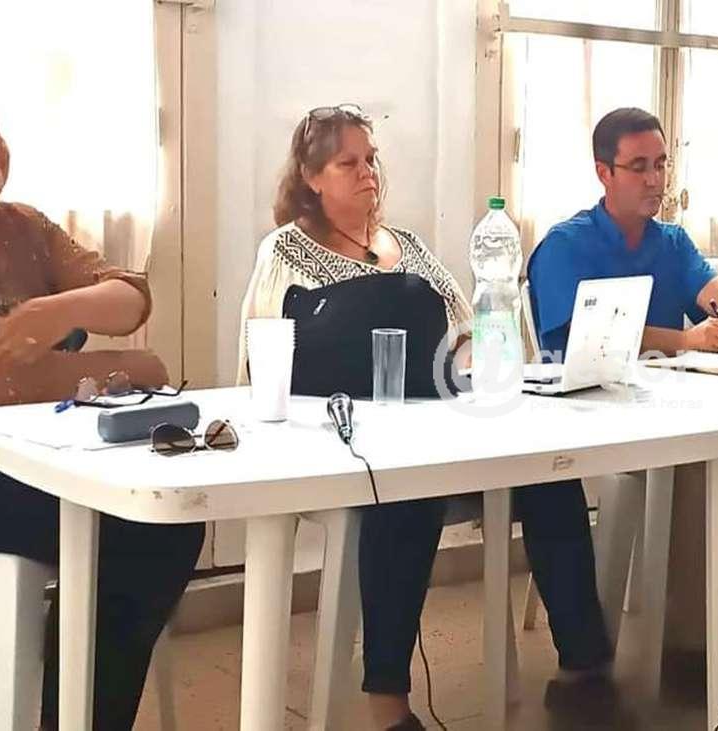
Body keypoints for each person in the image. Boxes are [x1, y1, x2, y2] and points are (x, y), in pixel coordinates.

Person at [238, 104, 628, 731]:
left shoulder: (410, 247)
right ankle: (388, 705)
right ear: (310, 176)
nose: (367, 173)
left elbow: (469, 328)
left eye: (371, 159)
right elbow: (269, 354)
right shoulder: (288, 250)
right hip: (349, 444)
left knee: (549, 473)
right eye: (347, 162)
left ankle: (583, 670)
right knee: (405, 489)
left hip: (445, 426)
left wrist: (475, 360)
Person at [0, 77, 204, 730]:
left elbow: (130, 295)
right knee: (139, 528)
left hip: (42, 453)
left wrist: (61, 309)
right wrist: (140, 368)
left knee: (168, 511)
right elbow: (5, 380)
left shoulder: (23, 226)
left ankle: (74, 710)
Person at [528, 107, 718, 358]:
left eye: (660, 165)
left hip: (664, 387)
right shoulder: (564, 245)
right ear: (604, 173)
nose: (654, 180)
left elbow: (714, 289)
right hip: (581, 392)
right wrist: (686, 340)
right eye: (639, 168)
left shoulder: (672, 242)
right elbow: (591, 335)